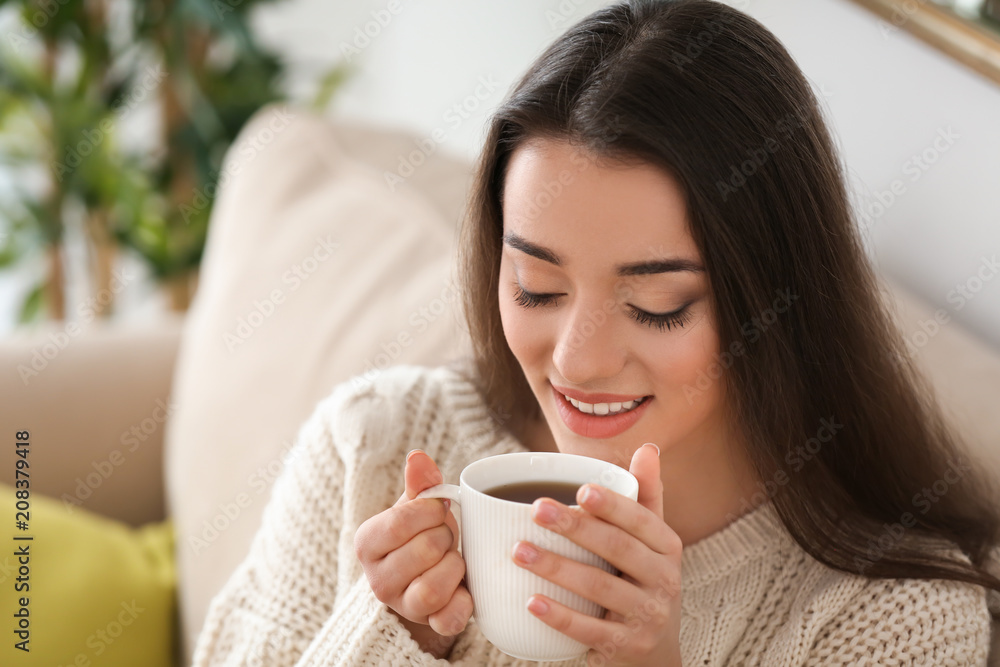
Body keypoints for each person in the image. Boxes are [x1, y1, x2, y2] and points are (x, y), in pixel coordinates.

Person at [191, 0, 1000, 664]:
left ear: (777, 305)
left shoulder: (902, 622)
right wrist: (391, 639)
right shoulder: (371, 445)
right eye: (536, 287)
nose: (576, 360)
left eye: (656, 306)